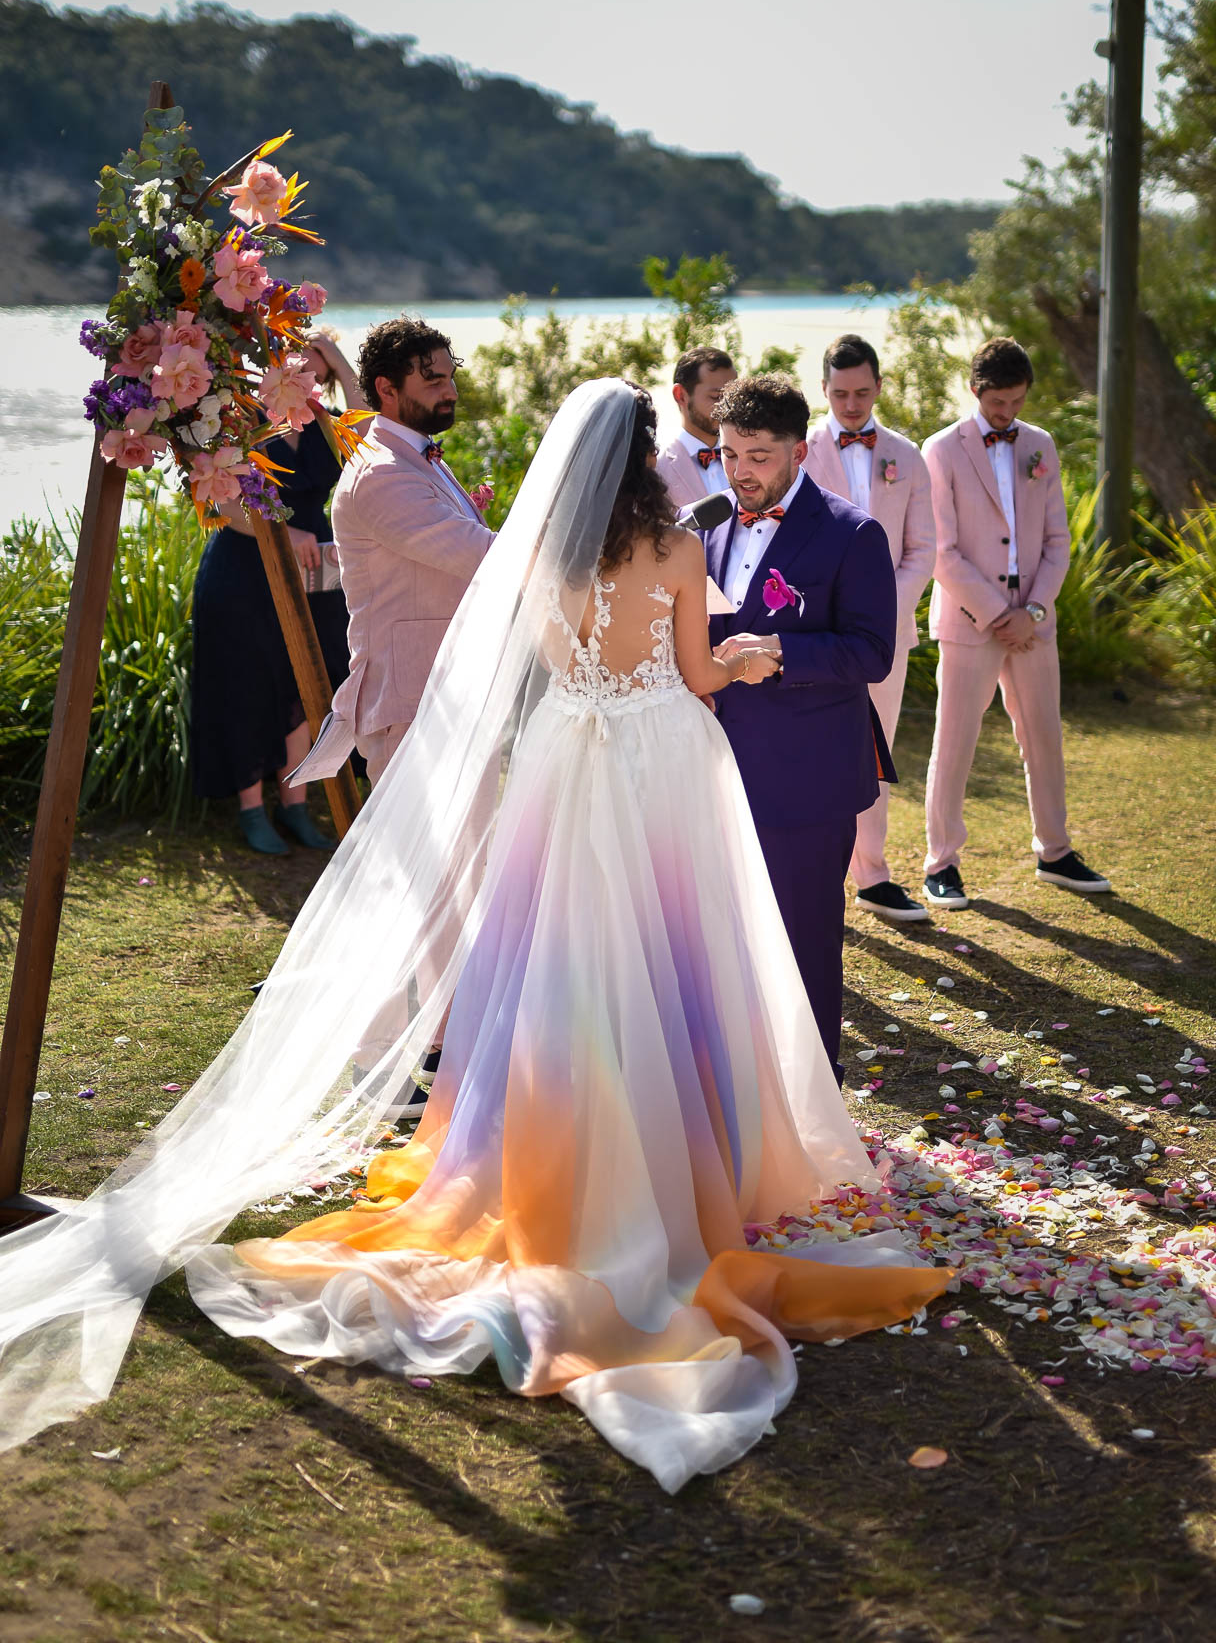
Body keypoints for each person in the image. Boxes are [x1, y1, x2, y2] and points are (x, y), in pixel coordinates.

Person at [0, 379, 948, 1493]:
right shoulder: (679, 546)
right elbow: (694, 674)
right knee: (674, 957)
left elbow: (549, 667)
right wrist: (745, 661)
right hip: (659, 764)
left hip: (567, 762)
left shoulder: (541, 554)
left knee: (559, 962)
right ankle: (676, 1158)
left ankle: (546, 1147)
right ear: (646, 456)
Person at [700, 374, 899, 1080]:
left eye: (758, 456)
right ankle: (743, 1088)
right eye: (729, 454)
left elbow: (872, 652)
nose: (740, 472)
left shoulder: (854, 534)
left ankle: (814, 1096)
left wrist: (781, 651)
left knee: (803, 942)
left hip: (807, 778)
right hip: (712, 771)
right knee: (727, 941)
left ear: (800, 450)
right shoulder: (706, 524)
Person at [920, 336, 1112, 908]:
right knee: (955, 742)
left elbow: (1058, 540)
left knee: (1044, 738)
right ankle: (941, 864)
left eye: (1017, 401)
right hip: (970, 622)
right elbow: (941, 550)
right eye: (998, 402)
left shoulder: (1040, 445)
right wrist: (998, 613)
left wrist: (1032, 611)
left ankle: (1055, 851)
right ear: (976, 391)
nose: (1008, 411)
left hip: (1033, 624)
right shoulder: (940, 449)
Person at [189, 330, 367, 853]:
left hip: (313, 573)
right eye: (297, 363)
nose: (305, 375)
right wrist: (283, 534)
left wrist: (338, 356)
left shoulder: (328, 425)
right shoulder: (242, 420)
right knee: (246, 683)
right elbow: (222, 503)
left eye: (317, 370)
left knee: (309, 682)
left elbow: (371, 425)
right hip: (244, 570)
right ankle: (251, 811)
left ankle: (295, 804)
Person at [325, 317, 493, 785]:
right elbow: (480, 555)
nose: (451, 392)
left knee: (473, 834)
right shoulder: (381, 474)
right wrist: (576, 543)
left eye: (451, 378)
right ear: (387, 389)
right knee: (418, 837)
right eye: (434, 381)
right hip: (410, 701)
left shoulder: (417, 457)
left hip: (451, 690)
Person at [805, 335, 936, 923]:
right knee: (815, 752)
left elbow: (923, 548)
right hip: (819, 633)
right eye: (840, 394)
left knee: (875, 753)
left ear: (879, 386)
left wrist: (882, 610)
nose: (851, 404)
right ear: (824, 390)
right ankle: (816, 877)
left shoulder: (908, 454)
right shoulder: (801, 450)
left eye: (861, 392)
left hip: (887, 634)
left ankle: (874, 875)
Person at [654, 345, 737, 507]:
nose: (728, 407)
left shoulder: (750, 458)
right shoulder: (657, 468)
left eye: (733, 397)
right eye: (717, 397)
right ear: (681, 396)